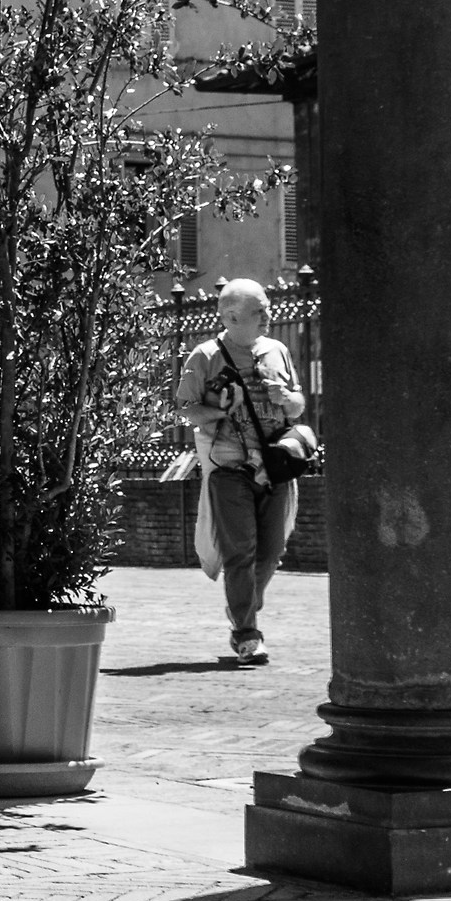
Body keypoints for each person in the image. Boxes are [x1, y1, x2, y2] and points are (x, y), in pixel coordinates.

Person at [174, 278, 308, 664]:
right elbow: (185, 409)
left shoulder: (277, 350)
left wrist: (288, 399)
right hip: (229, 466)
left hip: (276, 466)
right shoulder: (204, 356)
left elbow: (297, 405)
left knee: (271, 552)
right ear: (232, 316)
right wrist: (222, 410)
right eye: (260, 310)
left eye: (267, 307)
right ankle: (246, 633)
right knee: (241, 554)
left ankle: (244, 603)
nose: (268, 316)